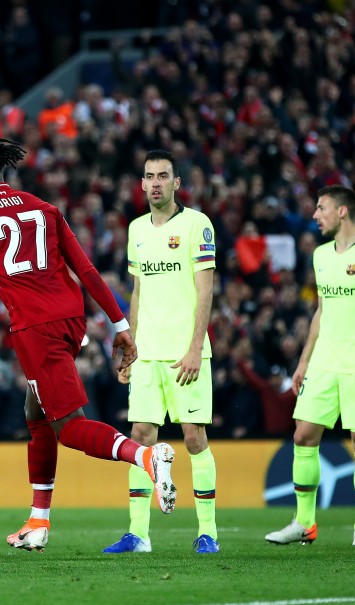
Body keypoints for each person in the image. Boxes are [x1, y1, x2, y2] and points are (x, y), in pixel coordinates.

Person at [0, 138, 176, 552]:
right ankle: (38, 520)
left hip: (35, 328)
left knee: (68, 427)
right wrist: (119, 324)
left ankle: (146, 458)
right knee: (36, 409)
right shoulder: (44, 208)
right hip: (71, 319)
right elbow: (84, 267)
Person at [265, 185, 355, 548]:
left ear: (342, 211)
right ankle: (304, 523)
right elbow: (321, 312)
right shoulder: (320, 256)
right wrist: (304, 361)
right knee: (303, 435)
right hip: (324, 363)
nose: (315, 215)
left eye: (321, 208)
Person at [104, 149, 220, 555]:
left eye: (163, 176)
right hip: (148, 352)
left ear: (176, 184)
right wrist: (130, 348)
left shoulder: (196, 225)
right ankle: (139, 534)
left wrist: (193, 348)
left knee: (193, 437)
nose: (155, 182)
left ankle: (208, 532)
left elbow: (206, 290)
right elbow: (137, 292)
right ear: (141, 184)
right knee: (140, 436)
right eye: (149, 176)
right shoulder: (136, 230)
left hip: (184, 353)